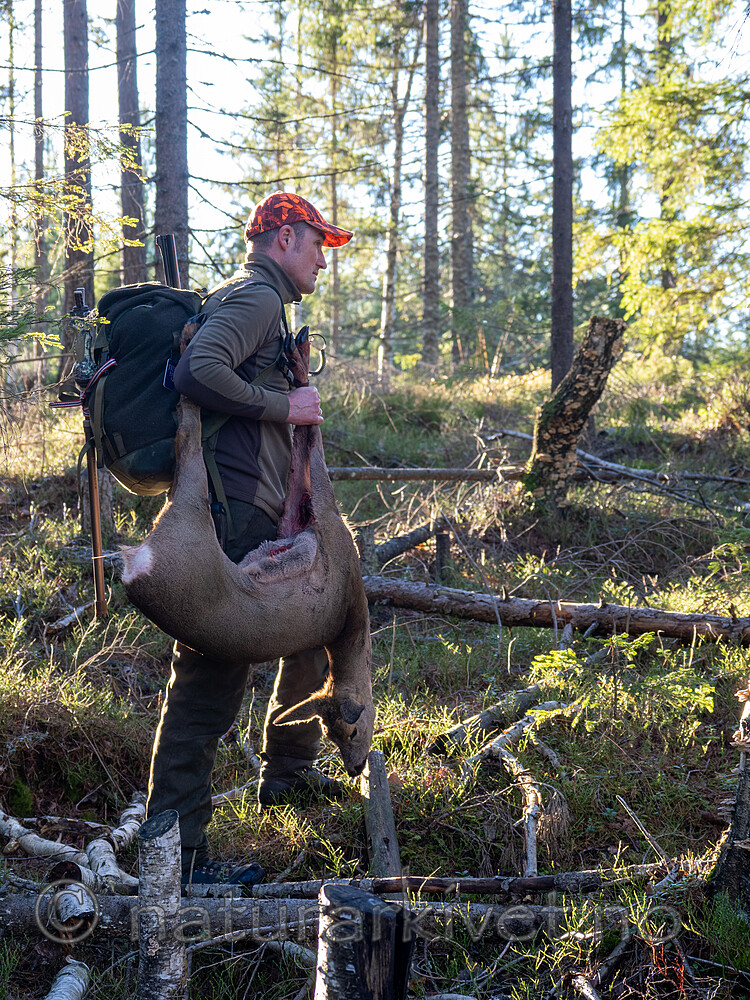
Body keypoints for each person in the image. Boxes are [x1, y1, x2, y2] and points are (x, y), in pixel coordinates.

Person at [146, 192, 354, 887]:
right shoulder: (256, 298)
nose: (323, 259)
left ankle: (288, 775)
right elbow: (199, 370)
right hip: (231, 518)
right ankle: (176, 858)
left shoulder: (265, 301)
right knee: (208, 677)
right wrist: (282, 403)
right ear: (285, 238)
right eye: (318, 244)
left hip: (261, 511)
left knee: (312, 622)